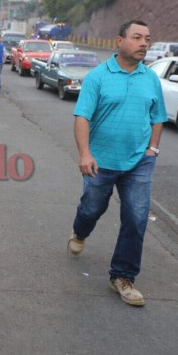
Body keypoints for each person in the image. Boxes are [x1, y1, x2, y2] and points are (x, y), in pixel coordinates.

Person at [68, 20, 167, 307]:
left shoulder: (150, 78)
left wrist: (152, 150)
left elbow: (158, 117)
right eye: (137, 37)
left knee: (136, 218)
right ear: (119, 41)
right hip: (100, 162)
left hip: (139, 162)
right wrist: (85, 154)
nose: (144, 43)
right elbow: (82, 117)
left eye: (147, 38)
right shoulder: (98, 76)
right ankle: (79, 231)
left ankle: (122, 276)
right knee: (92, 208)